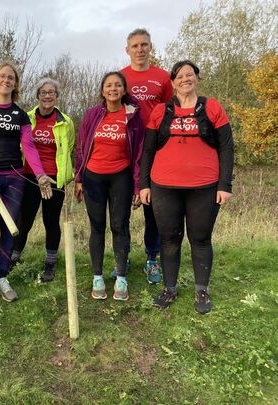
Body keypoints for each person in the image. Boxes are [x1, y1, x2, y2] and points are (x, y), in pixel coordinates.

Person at [140, 60, 234, 314]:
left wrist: (225, 185)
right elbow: (147, 151)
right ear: (172, 83)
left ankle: (201, 289)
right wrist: (144, 184)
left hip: (204, 186)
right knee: (169, 239)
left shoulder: (212, 107)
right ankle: (169, 289)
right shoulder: (161, 111)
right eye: (180, 76)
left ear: (197, 79)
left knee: (200, 239)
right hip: (164, 186)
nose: (185, 79)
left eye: (190, 75)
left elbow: (226, 147)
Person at [0, 61, 55, 306]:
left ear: (15, 84)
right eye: (2, 76)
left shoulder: (20, 115)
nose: (7, 80)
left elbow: (28, 147)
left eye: (11, 77)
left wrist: (39, 175)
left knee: (11, 229)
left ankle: (2, 277)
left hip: (15, 178)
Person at [74, 72, 144, 301]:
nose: (113, 89)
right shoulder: (92, 114)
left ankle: (121, 278)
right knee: (97, 226)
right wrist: (79, 178)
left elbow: (139, 154)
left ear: (124, 90)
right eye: (108, 85)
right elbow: (81, 147)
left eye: (117, 85)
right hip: (93, 177)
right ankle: (97, 277)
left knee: (119, 226)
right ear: (102, 90)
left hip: (120, 178)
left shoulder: (133, 116)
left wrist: (137, 186)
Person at [118, 28, 174, 284]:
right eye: (135, 46)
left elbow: (173, 111)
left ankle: (152, 259)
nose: (140, 49)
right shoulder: (119, 77)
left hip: (155, 150)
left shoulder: (163, 78)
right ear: (127, 49)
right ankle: (123, 257)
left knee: (152, 208)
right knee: (121, 210)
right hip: (124, 149)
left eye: (144, 45)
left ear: (151, 47)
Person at [10, 78, 75, 282]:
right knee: (24, 219)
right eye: (43, 92)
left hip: (55, 179)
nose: (47, 96)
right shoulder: (26, 118)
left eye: (51, 92)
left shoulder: (65, 121)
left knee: (51, 221)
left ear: (57, 96)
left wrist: (58, 175)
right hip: (29, 177)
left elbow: (69, 146)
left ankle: (50, 263)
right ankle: (14, 257)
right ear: (37, 96)